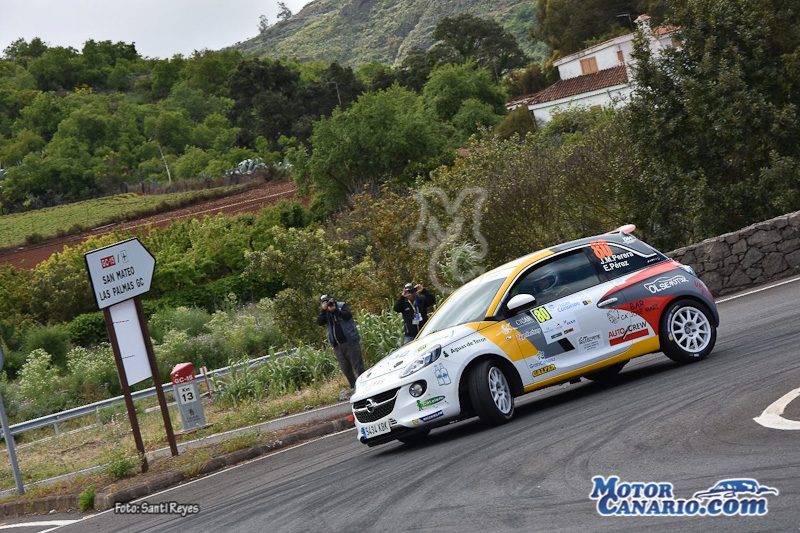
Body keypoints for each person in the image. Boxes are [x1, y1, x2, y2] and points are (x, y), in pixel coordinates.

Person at [316, 294, 365, 389]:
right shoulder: (325, 313)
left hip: (350, 342)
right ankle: (354, 388)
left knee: (359, 366)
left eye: (328, 301)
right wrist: (323, 310)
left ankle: (366, 386)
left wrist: (335, 310)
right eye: (325, 302)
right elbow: (319, 322)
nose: (328, 304)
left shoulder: (342, 306)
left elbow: (347, 316)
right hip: (337, 346)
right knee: (346, 370)